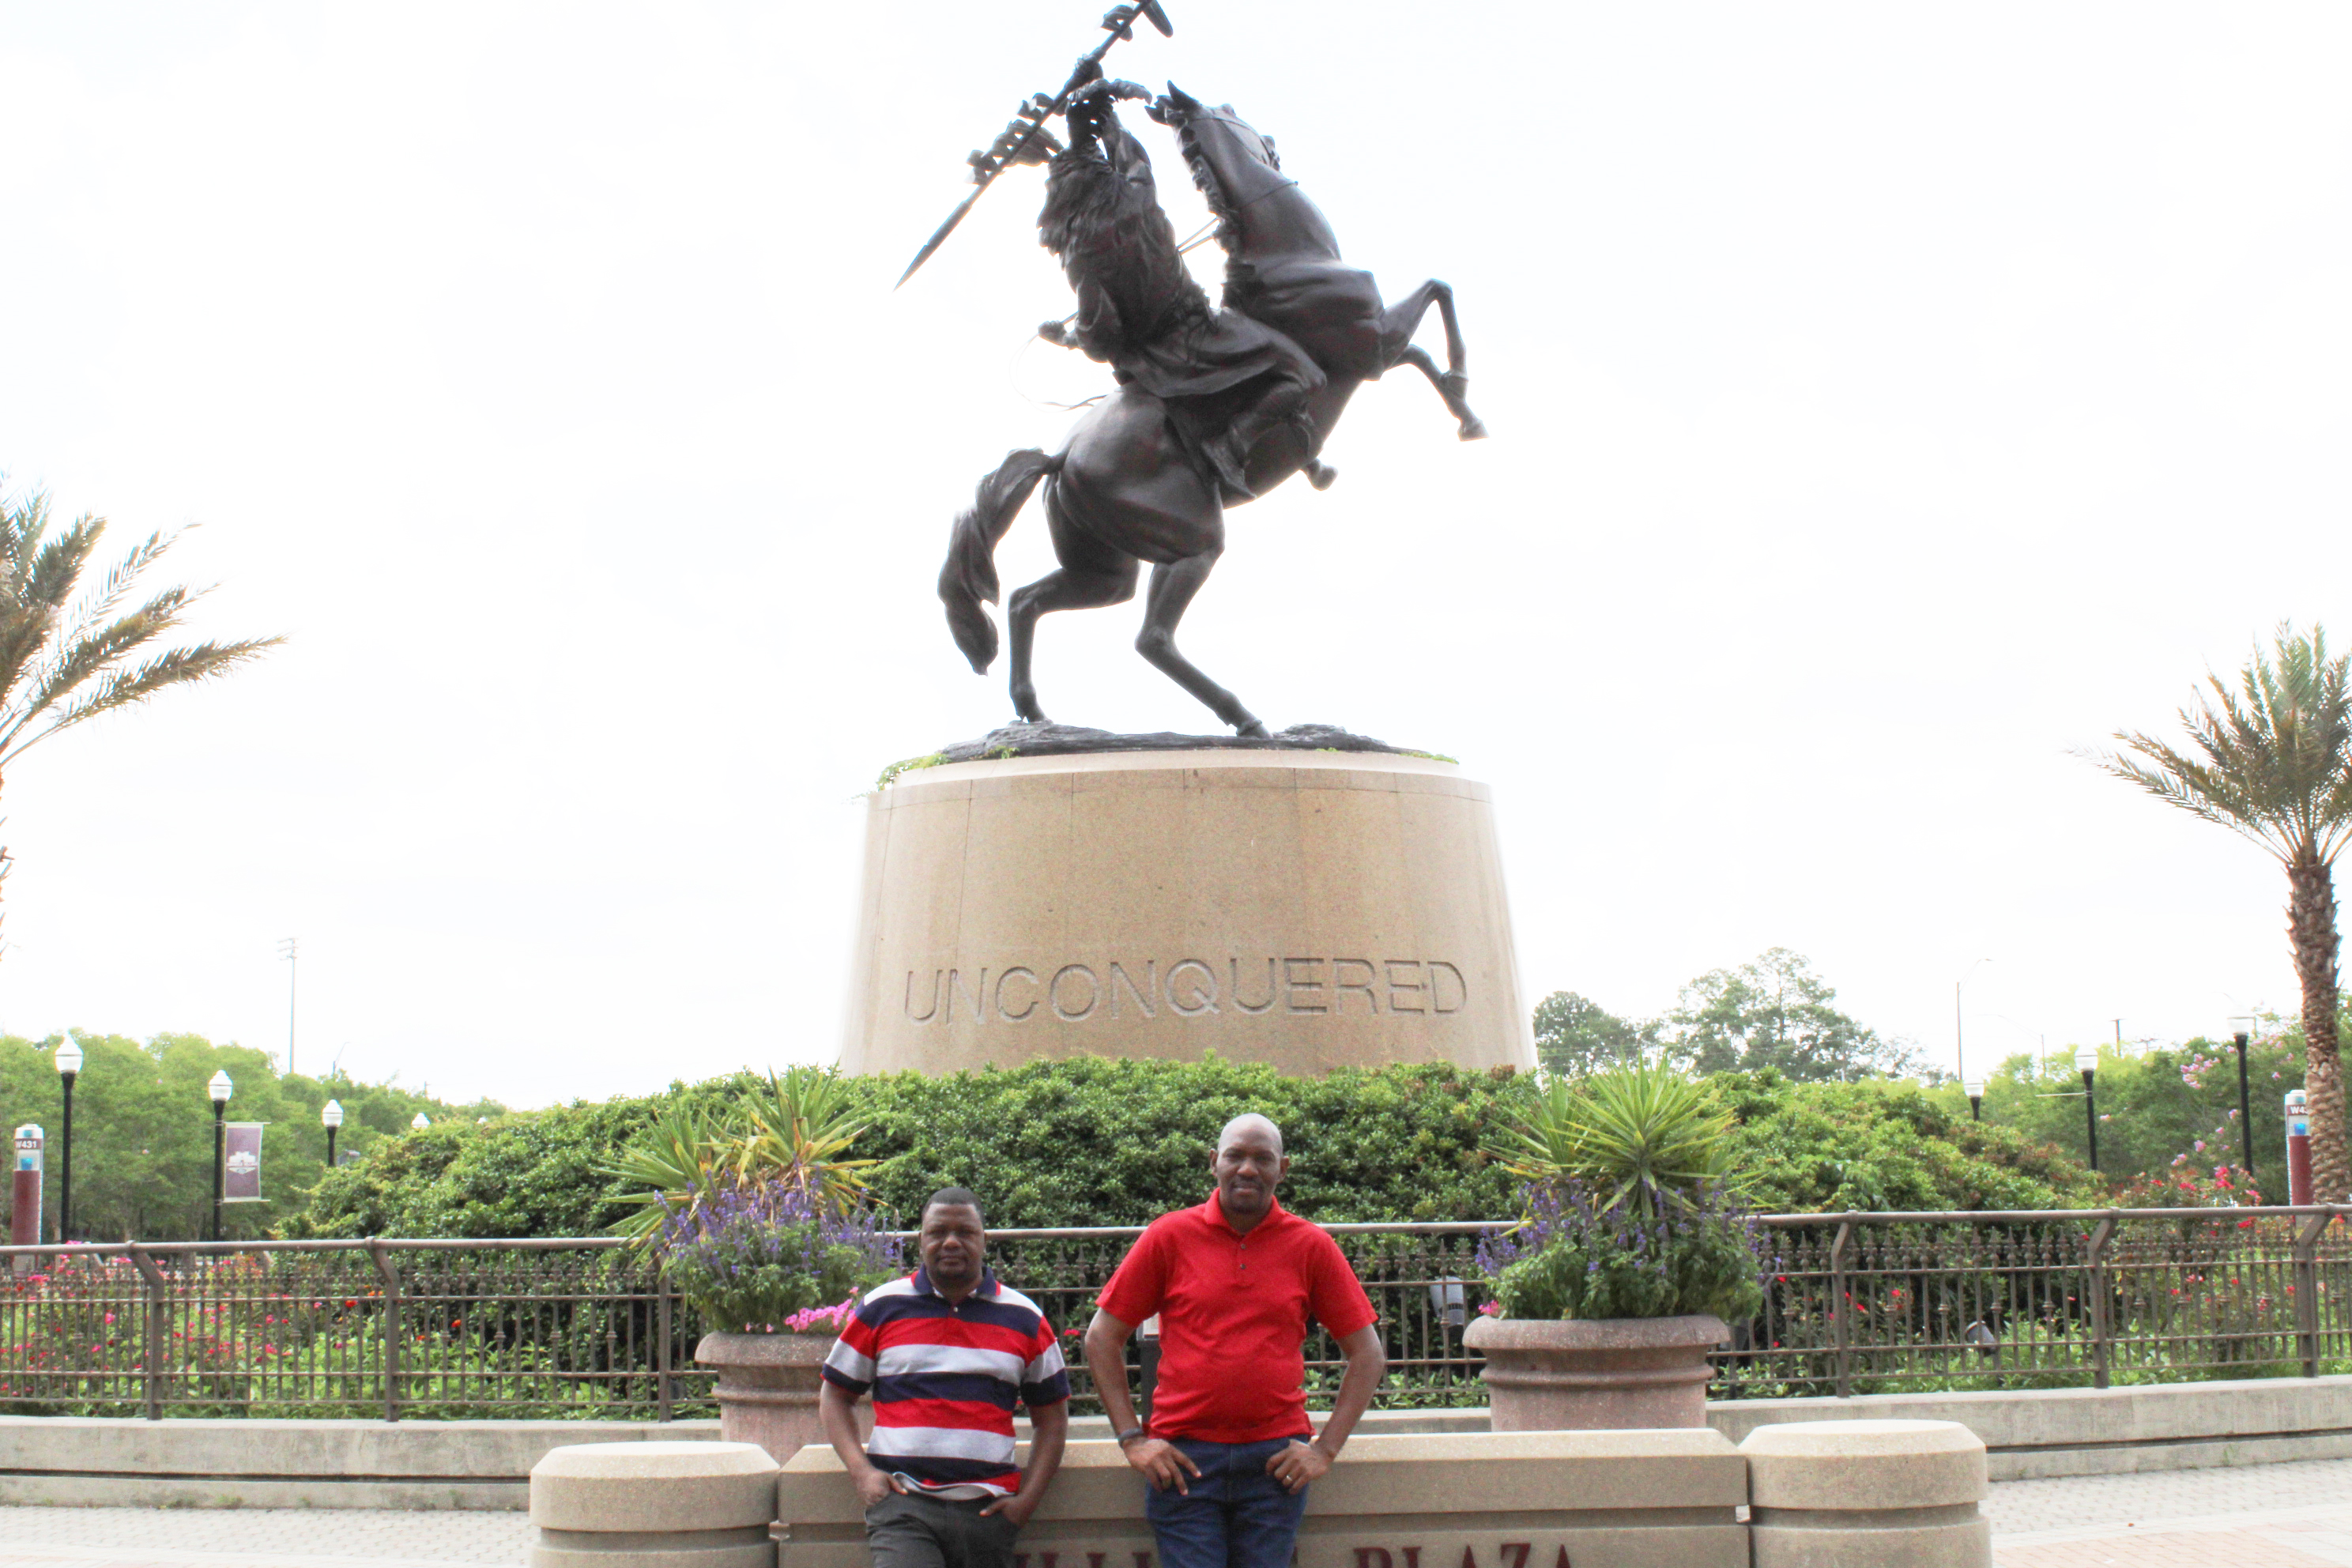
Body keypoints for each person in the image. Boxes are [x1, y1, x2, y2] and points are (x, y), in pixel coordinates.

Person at [1084, 1115, 1386, 1568]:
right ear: (1214, 1163)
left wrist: (1325, 1450)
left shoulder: (1311, 1246)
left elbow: (1367, 1354)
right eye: (1235, 1156)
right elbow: (1102, 1337)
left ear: (1282, 1169)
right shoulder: (1169, 1236)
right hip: (1184, 1462)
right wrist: (1132, 1439)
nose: (1248, 1169)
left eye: (1262, 1159)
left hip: (1274, 1466)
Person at [1035, 74, 1326, 503]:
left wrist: (1065, 336)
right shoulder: (1135, 194)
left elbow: (1101, 337)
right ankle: (1232, 444)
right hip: (1198, 332)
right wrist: (1107, 118)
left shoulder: (1080, 258)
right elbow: (1131, 158)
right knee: (1305, 375)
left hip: (1151, 361)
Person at [820, 1187, 1070, 1568]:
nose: (951, 1241)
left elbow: (1052, 1419)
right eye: (938, 1232)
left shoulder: (1025, 1318)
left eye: (965, 1232)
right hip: (904, 1507)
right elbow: (835, 1395)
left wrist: (1026, 1503)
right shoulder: (882, 1307)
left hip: (988, 1513)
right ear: (921, 1240)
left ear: (984, 1239)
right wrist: (862, 1473)